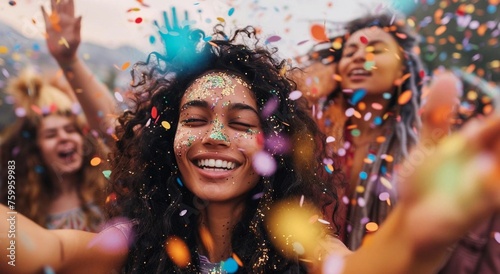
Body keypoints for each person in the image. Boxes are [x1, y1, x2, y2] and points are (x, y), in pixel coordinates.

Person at [2, 19, 500, 274]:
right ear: (166, 140)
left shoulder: (298, 243)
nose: (215, 137)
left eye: (241, 123)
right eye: (195, 120)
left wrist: (415, 240)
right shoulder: (130, 243)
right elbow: (28, 250)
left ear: (273, 146)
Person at [294, 12, 426, 249]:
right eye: (350, 52)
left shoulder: (421, 147)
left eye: (375, 50)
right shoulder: (315, 134)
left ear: (402, 70)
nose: (359, 57)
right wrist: (311, 84)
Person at [0, 68, 108, 232]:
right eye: (51, 135)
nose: (64, 137)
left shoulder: (108, 186)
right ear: (36, 148)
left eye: (70, 130)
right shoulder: (21, 207)